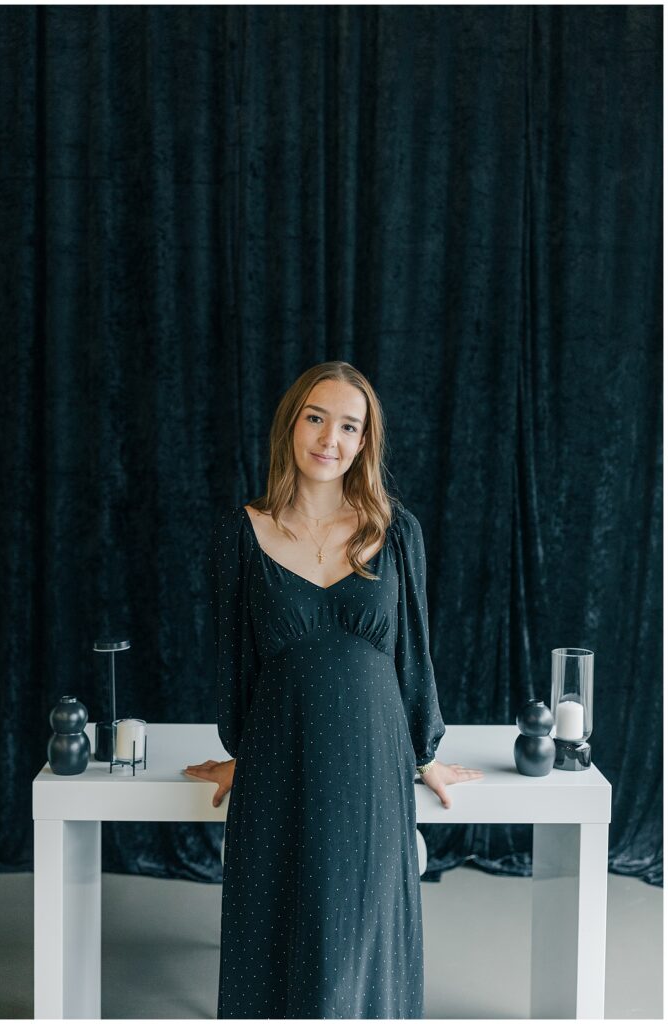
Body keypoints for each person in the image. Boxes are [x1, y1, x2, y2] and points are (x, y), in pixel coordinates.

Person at [185, 360, 484, 1018]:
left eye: (349, 426)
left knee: (360, 940)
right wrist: (242, 753)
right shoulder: (239, 535)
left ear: (364, 441)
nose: (330, 438)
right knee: (277, 927)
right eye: (316, 418)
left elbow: (414, 654)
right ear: (291, 424)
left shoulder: (396, 532)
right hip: (278, 759)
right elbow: (235, 664)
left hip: (373, 768)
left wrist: (425, 755)